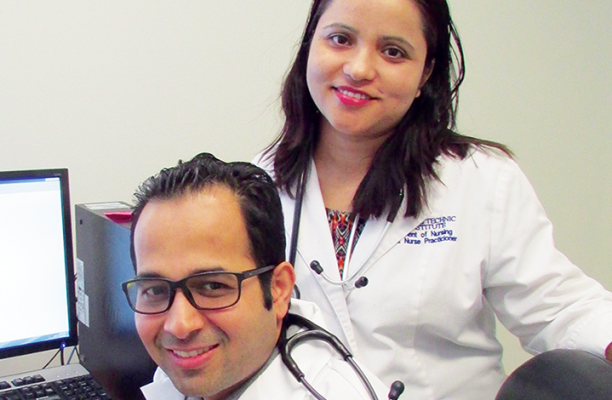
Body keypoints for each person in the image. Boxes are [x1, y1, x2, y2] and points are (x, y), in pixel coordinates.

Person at [253, 0, 612, 399]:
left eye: (393, 51)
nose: (359, 69)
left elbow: (560, 307)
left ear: (425, 72)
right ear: (309, 47)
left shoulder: (478, 179)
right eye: (340, 39)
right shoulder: (254, 190)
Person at [123, 153, 391, 400]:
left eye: (212, 286)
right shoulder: (190, 369)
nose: (179, 326)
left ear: (278, 289)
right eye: (156, 290)